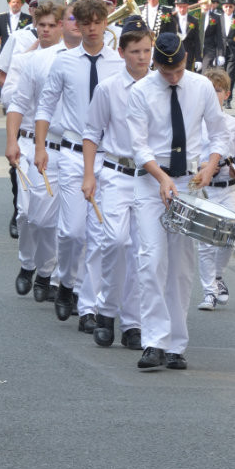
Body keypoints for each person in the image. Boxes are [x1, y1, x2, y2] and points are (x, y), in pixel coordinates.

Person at [128, 32, 231, 370]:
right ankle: (153, 340)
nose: (172, 77)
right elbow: (138, 145)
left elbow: (219, 132)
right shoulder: (141, 91)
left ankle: (176, 344)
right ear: (155, 64)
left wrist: (211, 164)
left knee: (182, 266)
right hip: (152, 182)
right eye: (165, 71)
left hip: (187, 182)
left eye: (177, 70)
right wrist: (160, 177)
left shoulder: (201, 86)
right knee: (152, 258)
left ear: (185, 61)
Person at [33, 0, 124, 325]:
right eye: (85, 23)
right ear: (78, 26)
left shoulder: (118, 62)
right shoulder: (65, 62)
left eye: (98, 22)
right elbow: (45, 106)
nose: (92, 28)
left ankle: (89, 306)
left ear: (105, 24)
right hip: (71, 155)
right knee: (72, 232)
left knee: (98, 235)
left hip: (107, 157)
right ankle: (67, 283)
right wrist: (40, 147)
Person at [82, 19, 152, 349]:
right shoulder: (108, 88)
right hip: (115, 173)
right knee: (114, 242)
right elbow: (92, 132)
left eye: (147, 51)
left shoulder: (160, 88)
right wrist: (89, 173)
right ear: (121, 52)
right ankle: (106, 311)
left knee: (142, 251)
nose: (143, 58)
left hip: (148, 179)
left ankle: (133, 322)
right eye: (136, 51)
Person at [5, 0, 67, 303]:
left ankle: (45, 271)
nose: (45, 30)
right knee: (26, 214)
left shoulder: (72, 59)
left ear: (62, 26)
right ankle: (27, 264)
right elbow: (14, 102)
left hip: (60, 146)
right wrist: (12, 140)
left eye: (51, 25)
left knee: (49, 220)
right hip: (29, 142)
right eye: (41, 25)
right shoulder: (28, 60)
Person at [195, 68, 235, 312]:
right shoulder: (196, 123)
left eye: (219, 91)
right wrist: (203, 166)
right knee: (206, 243)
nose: (215, 95)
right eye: (210, 91)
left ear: (225, 94)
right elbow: (193, 156)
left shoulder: (233, 124)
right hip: (206, 190)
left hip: (227, 188)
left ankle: (218, 276)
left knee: (229, 239)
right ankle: (209, 292)